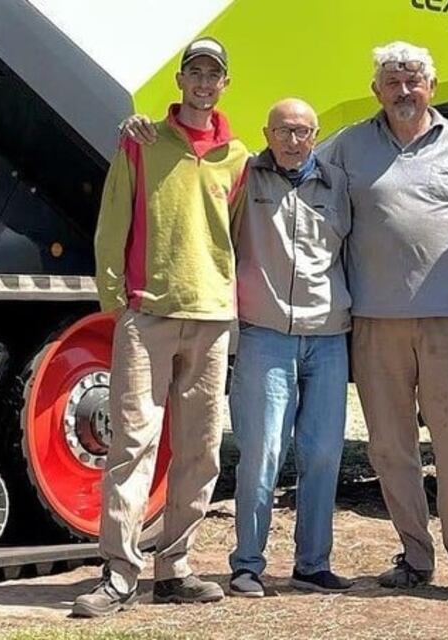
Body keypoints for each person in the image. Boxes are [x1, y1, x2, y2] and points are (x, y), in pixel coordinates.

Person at [121, 98, 355, 598]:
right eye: (284, 130)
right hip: (265, 334)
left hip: (329, 337)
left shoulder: (338, 185)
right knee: (262, 453)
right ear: (267, 133)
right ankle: (247, 564)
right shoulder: (245, 176)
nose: (295, 140)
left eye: (304, 131)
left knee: (322, 454)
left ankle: (313, 564)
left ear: (316, 136)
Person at [321, 41, 448, 600]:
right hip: (375, 323)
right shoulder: (349, 146)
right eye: (392, 81)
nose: (404, 90)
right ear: (375, 90)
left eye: (413, 81)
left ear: (431, 86)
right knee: (390, 447)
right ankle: (414, 556)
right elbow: (303, 188)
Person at [73, 36, 250, 618]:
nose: (203, 82)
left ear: (225, 84)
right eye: (194, 72)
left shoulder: (238, 158)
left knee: (200, 450)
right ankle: (120, 573)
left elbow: (239, 238)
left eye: (213, 74)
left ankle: (175, 568)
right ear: (181, 80)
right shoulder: (140, 141)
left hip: (212, 318)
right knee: (133, 444)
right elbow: (110, 223)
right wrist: (116, 300)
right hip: (148, 315)